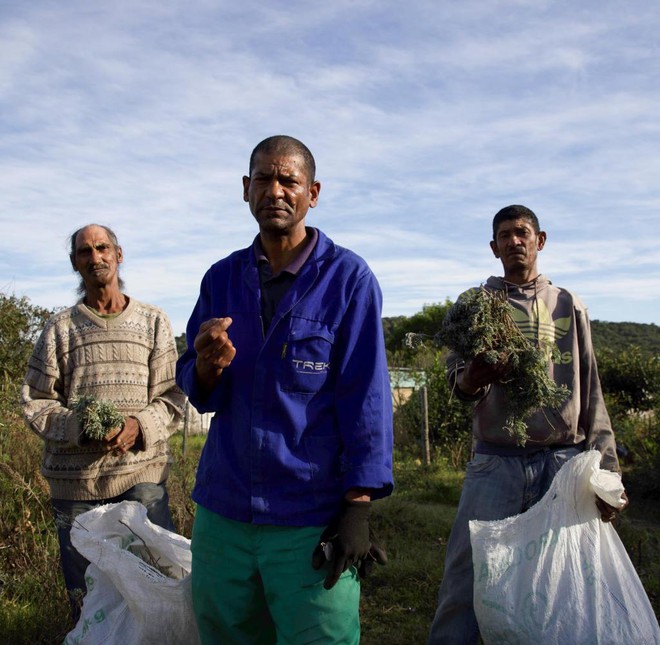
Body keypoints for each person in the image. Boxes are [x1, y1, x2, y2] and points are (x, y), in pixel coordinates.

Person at [176, 135, 394, 644]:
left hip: (308, 514)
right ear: (245, 189)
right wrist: (207, 366)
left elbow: (366, 399)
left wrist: (358, 505)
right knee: (225, 634)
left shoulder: (349, 279)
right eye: (263, 179)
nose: (275, 190)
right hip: (224, 511)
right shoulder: (221, 278)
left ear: (312, 193)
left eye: (288, 180)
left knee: (320, 636)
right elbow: (196, 386)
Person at [427, 204, 628, 644]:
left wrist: (607, 467)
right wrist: (473, 378)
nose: (515, 241)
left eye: (523, 233)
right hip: (495, 462)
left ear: (541, 240)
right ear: (493, 247)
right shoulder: (474, 306)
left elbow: (590, 387)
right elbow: (456, 385)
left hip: (564, 463)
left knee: (564, 579)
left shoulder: (568, 304)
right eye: (505, 235)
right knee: (468, 572)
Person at [22, 224, 186, 619]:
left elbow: (173, 397)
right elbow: (35, 402)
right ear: (75, 264)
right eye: (85, 252)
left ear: (118, 254)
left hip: (140, 479)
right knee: (88, 597)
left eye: (102, 248)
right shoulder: (60, 328)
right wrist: (81, 427)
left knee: (157, 584)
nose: (95, 257)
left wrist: (137, 426)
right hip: (75, 486)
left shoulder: (153, 321)